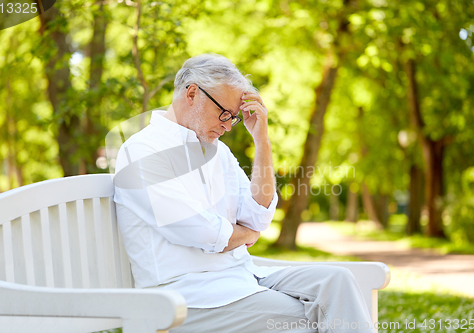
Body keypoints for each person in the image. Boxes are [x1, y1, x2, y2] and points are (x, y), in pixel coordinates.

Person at [113, 53, 374, 332]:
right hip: (186, 296)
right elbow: (201, 232)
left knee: (338, 281)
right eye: (223, 113)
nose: (227, 125)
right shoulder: (142, 152)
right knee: (306, 318)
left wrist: (261, 140)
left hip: (241, 277)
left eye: (233, 118)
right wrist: (246, 235)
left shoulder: (217, 152)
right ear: (192, 94)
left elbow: (257, 217)